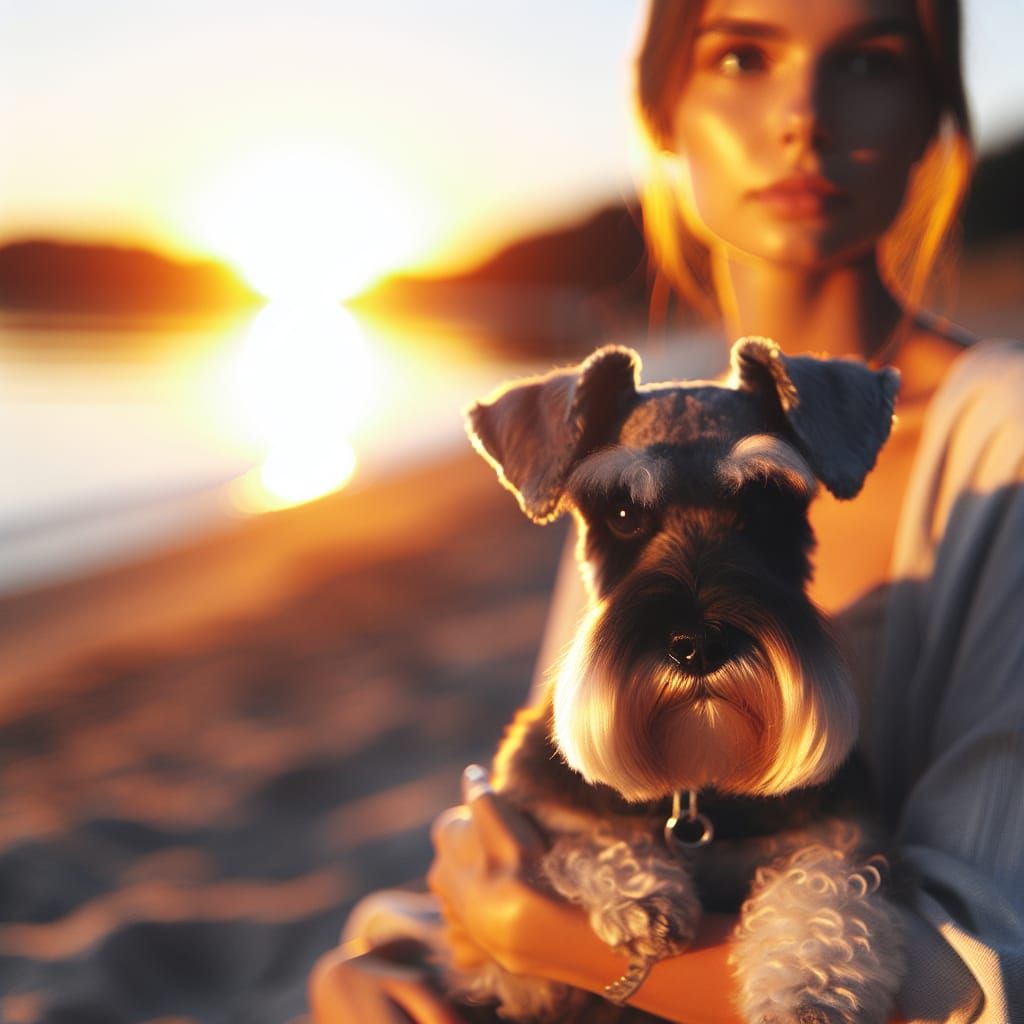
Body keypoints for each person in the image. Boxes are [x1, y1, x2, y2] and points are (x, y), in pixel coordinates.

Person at [310, 0, 1024, 1020]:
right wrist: (395, 949)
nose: (802, 117)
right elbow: (556, 827)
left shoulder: (1007, 440)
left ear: (933, 114)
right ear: (661, 106)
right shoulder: (630, 445)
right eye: (742, 55)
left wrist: (543, 938)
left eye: (868, 62)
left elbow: (982, 979)